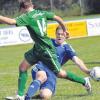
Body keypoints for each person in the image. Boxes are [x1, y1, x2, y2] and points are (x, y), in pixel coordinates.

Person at [0, 0, 69, 99]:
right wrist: (65, 29)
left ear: (23, 8)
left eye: (21, 10)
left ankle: (84, 81)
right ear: (32, 5)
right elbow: (58, 18)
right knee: (22, 67)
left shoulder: (27, 16)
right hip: (38, 48)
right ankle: (20, 96)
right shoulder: (41, 12)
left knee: (60, 73)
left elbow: (11, 22)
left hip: (46, 48)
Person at [25, 26, 92, 100]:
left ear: (66, 35)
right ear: (55, 34)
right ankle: (26, 97)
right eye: (58, 34)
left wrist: (87, 70)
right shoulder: (49, 41)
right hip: (40, 66)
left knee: (45, 96)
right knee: (41, 76)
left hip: (52, 72)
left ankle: (84, 81)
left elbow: (77, 60)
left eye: (62, 34)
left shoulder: (67, 48)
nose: (59, 36)